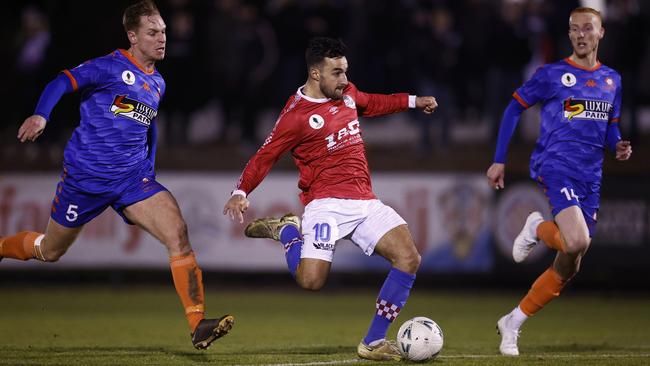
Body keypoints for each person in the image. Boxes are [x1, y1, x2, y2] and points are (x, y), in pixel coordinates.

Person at [0, 0, 233, 350]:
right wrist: (41, 116)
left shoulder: (158, 83)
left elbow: (149, 127)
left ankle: (198, 323)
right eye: (153, 32)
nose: (162, 38)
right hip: (85, 179)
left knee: (178, 234)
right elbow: (62, 82)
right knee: (49, 250)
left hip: (131, 180)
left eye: (164, 31)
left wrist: (149, 170)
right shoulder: (109, 67)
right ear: (133, 36)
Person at [223, 37, 438, 361]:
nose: (344, 79)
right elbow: (265, 156)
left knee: (409, 258)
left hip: (365, 202)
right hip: (325, 205)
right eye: (336, 72)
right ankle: (288, 232)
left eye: (345, 71)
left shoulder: (347, 94)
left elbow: (373, 102)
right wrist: (240, 191)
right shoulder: (295, 116)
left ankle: (374, 341)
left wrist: (412, 101)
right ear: (314, 74)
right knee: (311, 281)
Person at [486, 7, 632, 356]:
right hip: (556, 165)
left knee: (571, 259)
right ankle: (537, 229)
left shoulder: (613, 80)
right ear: (569, 35)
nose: (581, 35)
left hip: (590, 176)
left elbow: (610, 127)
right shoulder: (552, 75)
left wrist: (619, 146)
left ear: (601, 33)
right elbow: (513, 108)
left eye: (588, 29)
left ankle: (514, 321)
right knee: (577, 239)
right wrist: (499, 159)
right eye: (574, 29)